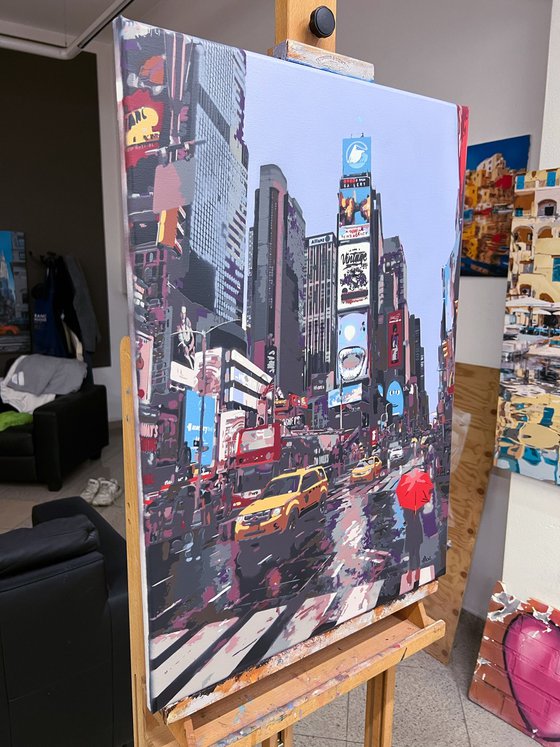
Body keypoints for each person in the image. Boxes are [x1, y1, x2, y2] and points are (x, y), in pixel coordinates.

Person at [403, 506, 424, 587]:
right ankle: (414, 572)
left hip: (413, 530)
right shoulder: (413, 507)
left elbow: (407, 519)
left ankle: (414, 571)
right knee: (413, 553)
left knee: (414, 552)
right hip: (413, 529)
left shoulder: (409, 508)